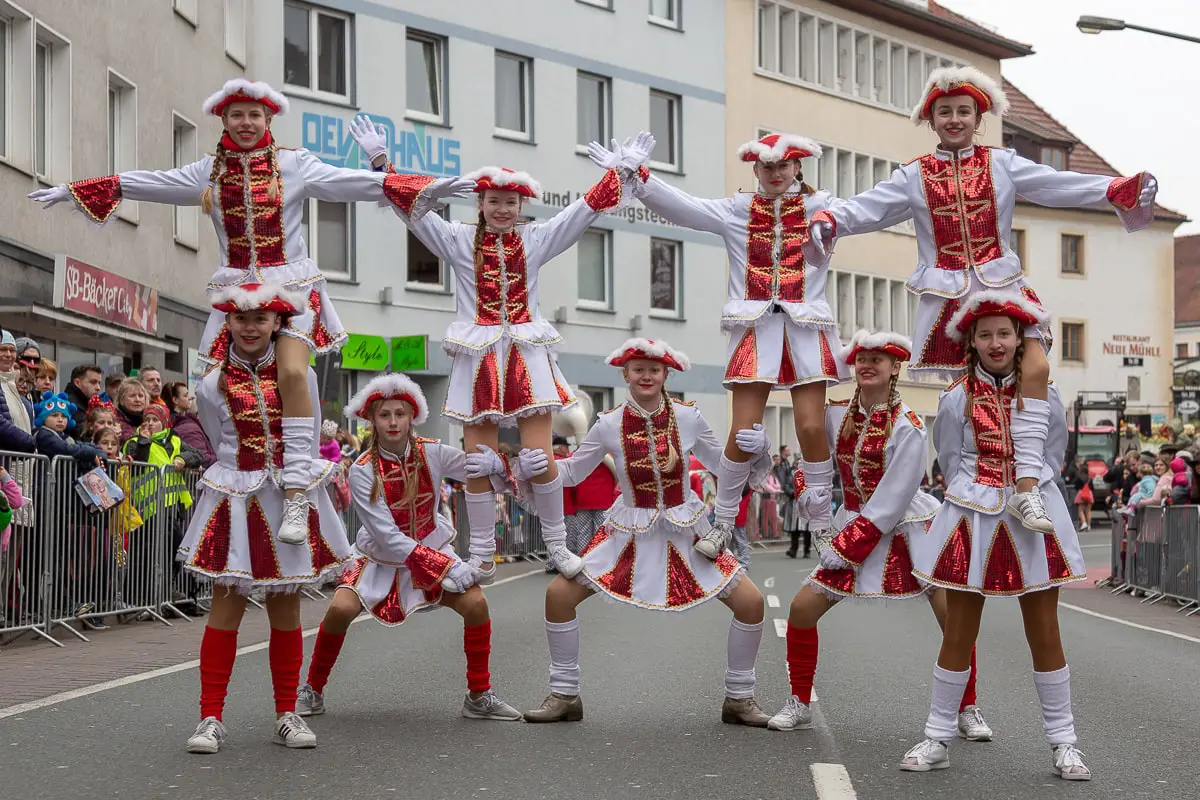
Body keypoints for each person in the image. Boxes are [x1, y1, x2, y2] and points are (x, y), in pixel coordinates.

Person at [29, 79, 424, 549]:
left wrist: (406, 173)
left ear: (268, 120)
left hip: (290, 289)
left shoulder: (294, 165)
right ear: (223, 120)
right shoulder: (209, 174)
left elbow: (357, 185)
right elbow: (149, 182)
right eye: (236, 115)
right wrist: (81, 190)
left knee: (296, 375)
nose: (245, 123)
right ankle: (237, 469)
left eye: (254, 115)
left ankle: (297, 486)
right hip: (235, 295)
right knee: (207, 387)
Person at [808, 65, 1158, 537]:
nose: (955, 119)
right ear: (931, 120)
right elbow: (869, 207)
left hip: (1002, 290)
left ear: (979, 117)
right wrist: (833, 218)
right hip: (948, 303)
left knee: (1035, 372)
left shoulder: (1002, 164)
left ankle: (1028, 485)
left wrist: (1109, 188)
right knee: (962, 403)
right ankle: (961, 486)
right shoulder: (913, 176)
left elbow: (1055, 184)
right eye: (945, 112)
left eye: (964, 111)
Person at [349, 115, 639, 584]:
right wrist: (382, 162)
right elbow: (414, 213)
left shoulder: (535, 240)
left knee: (541, 458)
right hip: (479, 356)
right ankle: (482, 554)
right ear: (480, 203)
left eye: (510, 202)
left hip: (526, 353)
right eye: (493, 201)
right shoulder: (459, 240)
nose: (502, 209)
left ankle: (559, 545)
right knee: (476, 461)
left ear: (521, 206)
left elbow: (581, 212)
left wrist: (619, 175)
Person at [588, 132, 847, 559]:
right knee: (743, 431)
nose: (776, 174)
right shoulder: (737, 211)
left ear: (799, 166)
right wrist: (639, 176)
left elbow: (876, 207)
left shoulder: (825, 209)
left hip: (806, 327)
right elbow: (685, 208)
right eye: (767, 167)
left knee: (811, 427)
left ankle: (821, 527)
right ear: (755, 170)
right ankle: (723, 523)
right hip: (754, 327)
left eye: (784, 166)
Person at [520, 338, 775, 726]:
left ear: (665, 375)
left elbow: (723, 465)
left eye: (654, 369)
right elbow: (572, 473)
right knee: (558, 595)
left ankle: (739, 698)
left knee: (751, 603)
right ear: (625, 374)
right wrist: (538, 467)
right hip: (628, 531)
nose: (646, 375)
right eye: (638, 369)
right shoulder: (608, 424)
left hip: (686, 530)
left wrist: (758, 450)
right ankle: (564, 694)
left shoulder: (689, 417)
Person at [766, 330, 992, 742]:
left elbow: (893, 498)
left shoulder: (909, 426)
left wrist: (848, 545)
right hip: (853, 520)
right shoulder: (836, 415)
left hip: (906, 527)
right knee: (801, 609)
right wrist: (809, 491)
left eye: (878, 359)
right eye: (861, 359)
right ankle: (799, 701)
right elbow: (812, 461)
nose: (867, 365)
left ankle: (967, 706)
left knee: (952, 617)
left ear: (894, 368)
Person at [902, 295, 1089, 779]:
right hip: (973, 517)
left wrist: (1023, 489)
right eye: (984, 334)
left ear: (1020, 336)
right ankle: (938, 735)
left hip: (1032, 517)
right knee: (959, 632)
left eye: (1004, 333)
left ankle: (1064, 743)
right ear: (971, 342)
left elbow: (1053, 455)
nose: (995, 343)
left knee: (1044, 631)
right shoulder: (955, 397)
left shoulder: (1046, 392)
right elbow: (947, 456)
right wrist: (980, 493)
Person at [176, 282, 352, 754]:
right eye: (240, 318)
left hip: (285, 496)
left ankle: (286, 713)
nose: (250, 327)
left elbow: (308, 437)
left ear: (278, 323)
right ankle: (210, 716)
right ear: (227, 323)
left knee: (285, 607)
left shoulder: (300, 375)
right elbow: (217, 439)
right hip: (235, 496)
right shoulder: (211, 383)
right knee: (226, 606)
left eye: (260, 319)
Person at [295, 373, 521, 721]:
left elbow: (474, 471)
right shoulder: (362, 470)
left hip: (430, 551)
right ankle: (312, 689)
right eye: (385, 415)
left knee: (476, 604)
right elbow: (387, 537)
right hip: (379, 560)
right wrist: (447, 567)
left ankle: (479, 695)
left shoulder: (432, 451)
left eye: (400, 413)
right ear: (372, 420)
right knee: (340, 609)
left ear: (411, 416)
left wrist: (499, 467)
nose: (393, 421)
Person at [32, 392, 105, 466]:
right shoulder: (43, 435)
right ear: (43, 419)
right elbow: (63, 448)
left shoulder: (65, 437)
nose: (60, 420)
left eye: (64, 416)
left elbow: (80, 445)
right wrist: (91, 452)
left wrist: (98, 451)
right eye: (54, 415)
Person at [0, 331, 36, 452]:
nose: (8, 354)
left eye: (12, 350)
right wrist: (29, 442)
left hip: (23, 463)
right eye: (3, 349)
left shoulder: (12, 386)